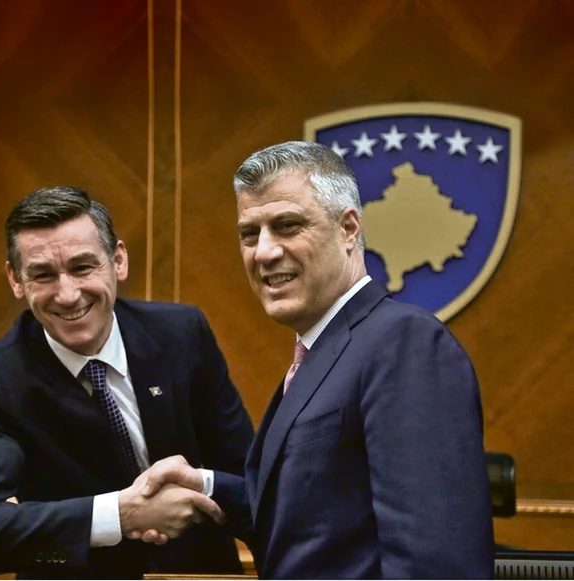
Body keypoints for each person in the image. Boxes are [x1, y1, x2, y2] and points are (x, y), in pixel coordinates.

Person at [138, 141, 494, 578]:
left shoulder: (404, 343)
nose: (263, 252)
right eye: (249, 234)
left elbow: (435, 562)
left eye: (287, 226)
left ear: (348, 229)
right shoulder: (322, 351)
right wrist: (205, 486)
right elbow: (312, 516)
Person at [0, 186, 255, 578]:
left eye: (83, 267)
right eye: (43, 275)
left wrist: (202, 485)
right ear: (16, 280)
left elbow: (253, 482)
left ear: (118, 260)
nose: (68, 295)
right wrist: (121, 514)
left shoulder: (182, 334)